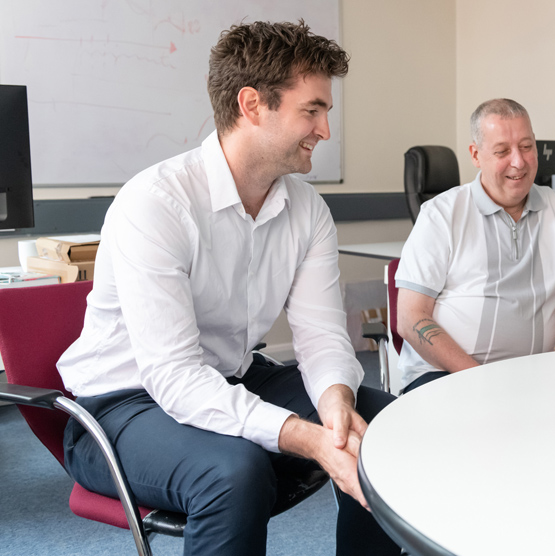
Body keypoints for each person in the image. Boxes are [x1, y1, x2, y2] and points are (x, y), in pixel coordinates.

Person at [57, 21, 400, 556]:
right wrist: (308, 438)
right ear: (252, 104)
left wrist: (334, 403)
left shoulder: (307, 211)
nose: (325, 130)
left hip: (227, 375)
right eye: (312, 110)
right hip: (122, 406)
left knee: (379, 425)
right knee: (234, 472)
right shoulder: (156, 204)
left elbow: (321, 338)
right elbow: (173, 376)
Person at [395, 98, 555, 393]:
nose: (518, 162)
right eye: (502, 151)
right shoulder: (440, 214)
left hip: (538, 375)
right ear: (476, 154)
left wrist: (554, 368)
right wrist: (480, 381)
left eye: (527, 146)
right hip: (446, 375)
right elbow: (410, 317)